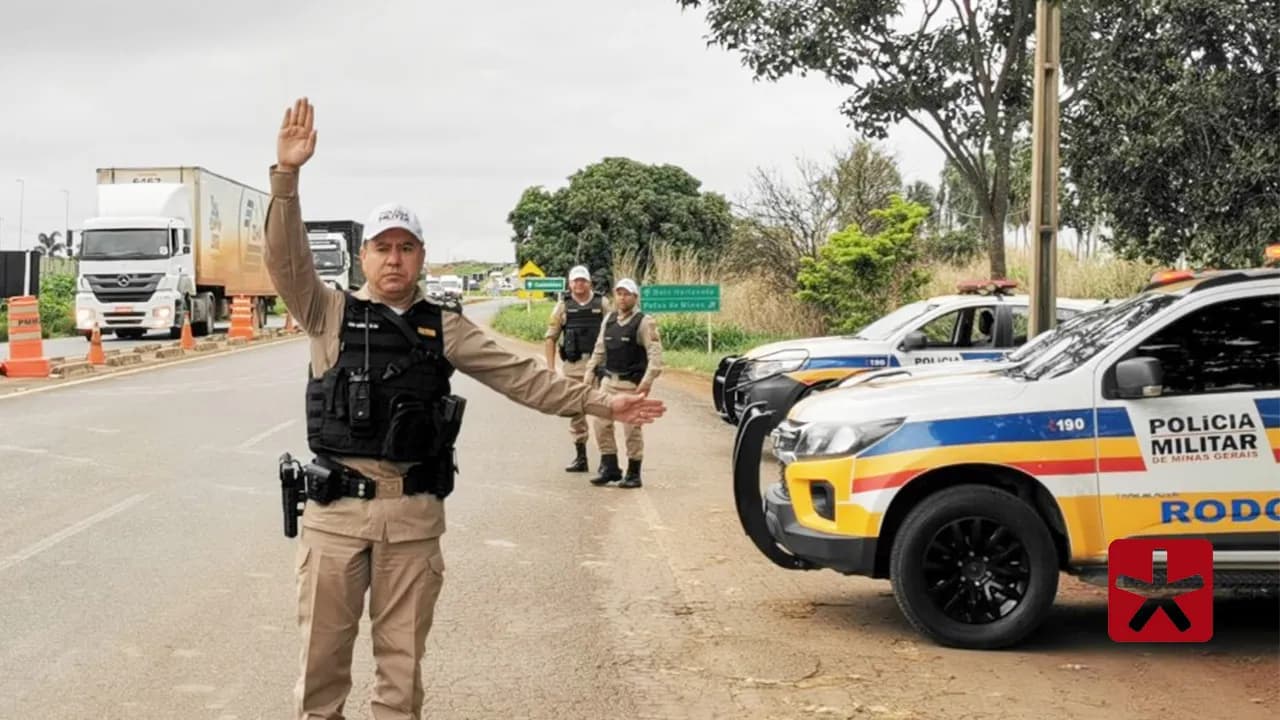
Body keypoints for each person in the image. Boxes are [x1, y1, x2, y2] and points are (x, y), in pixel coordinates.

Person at [264, 98, 666, 720]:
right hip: (335, 516)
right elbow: (284, 262)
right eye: (382, 247)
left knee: (401, 671)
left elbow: (525, 379)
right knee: (321, 671)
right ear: (362, 257)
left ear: (422, 256)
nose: (393, 258)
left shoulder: (444, 328)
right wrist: (286, 178)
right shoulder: (329, 312)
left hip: (414, 516)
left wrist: (604, 403)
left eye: (406, 246)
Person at [583, 278, 664, 489]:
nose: (622, 297)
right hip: (608, 381)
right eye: (619, 293)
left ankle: (634, 473)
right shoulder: (609, 319)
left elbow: (655, 357)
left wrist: (646, 384)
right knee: (600, 424)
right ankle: (609, 466)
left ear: (635, 297)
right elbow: (600, 349)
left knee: (631, 430)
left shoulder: (644, 322)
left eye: (627, 294)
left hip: (631, 384)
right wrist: (589, 372)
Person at [543, 265, 609, 472]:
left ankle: (607, 461)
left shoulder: (602, 303)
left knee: (602, 414)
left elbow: (614, 330)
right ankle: (581, 458)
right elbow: (550, 338)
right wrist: (551, 369)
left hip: (598, 367)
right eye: (575, 281)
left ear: (589, 282)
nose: (579, 284)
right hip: (573, 367)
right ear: (569, 283)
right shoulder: (563, 306)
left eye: (583, 280)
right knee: (576, 413)